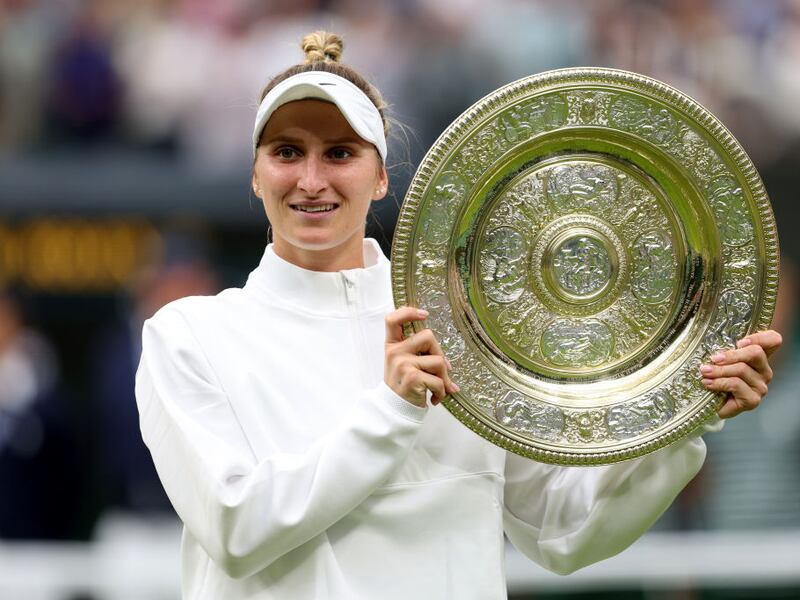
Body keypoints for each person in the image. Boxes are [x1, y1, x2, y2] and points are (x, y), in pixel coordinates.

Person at [135, 31, 782, 599]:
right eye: (285, 152)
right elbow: (235, 528)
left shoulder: (460, 324)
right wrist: (392, 411)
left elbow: (562, 532)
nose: (310, 180)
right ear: (254, 175)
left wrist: (681, 417)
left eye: (339, 154)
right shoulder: (188, 336)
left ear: (381, 177)